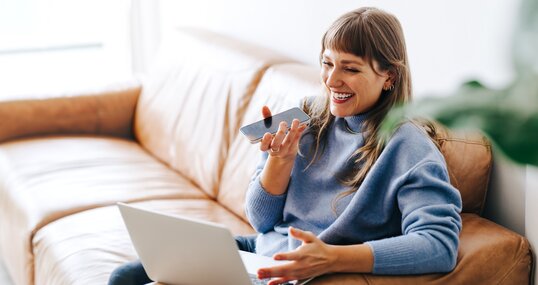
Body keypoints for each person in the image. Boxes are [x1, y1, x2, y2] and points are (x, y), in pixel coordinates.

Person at [108, 6, 462, 285]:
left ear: (390, 77)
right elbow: (261, 221)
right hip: (261, 250)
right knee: (125, 276)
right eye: (327, 63)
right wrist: (280, 162)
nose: (332, 80)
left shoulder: (409, 148)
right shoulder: (307, 113)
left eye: (350, 69)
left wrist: (333, 258)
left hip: (294, 270)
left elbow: (439, 245)